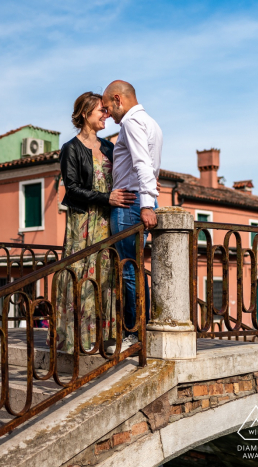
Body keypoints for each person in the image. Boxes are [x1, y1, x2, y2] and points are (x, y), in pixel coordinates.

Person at [49, 92, 137, 353]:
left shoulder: (109, 147)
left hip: (106, 221)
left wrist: (144, 182)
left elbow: (125, 174)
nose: (106, 115)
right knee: (81, 275)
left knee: (106, 276)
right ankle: (78, 338)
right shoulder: (71, 148)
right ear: (85, 113)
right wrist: (105, 197)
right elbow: (72, 189)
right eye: (101, 111)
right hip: (83, 222)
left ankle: (105, 336)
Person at [102, 81, 162, 352]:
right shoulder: (152, 123)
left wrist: (146, 203)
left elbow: (141, 163)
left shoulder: (129, 122)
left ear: (118, 100)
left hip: (130, 203)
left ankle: (134, 333)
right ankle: (140, 328)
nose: (109, 115)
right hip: (141, 198)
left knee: (128, 269)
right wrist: (149, 195)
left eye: (108, 108)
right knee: (134, 268)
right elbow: (151, 165)